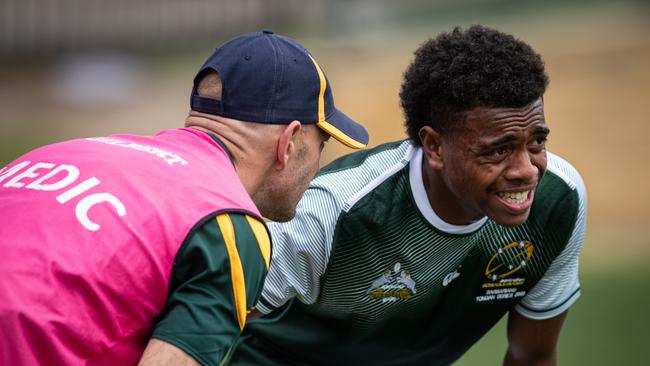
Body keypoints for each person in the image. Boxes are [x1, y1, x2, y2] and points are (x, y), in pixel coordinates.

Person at [0, 30, 368, 366]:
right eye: (322, 144)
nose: (318, 164)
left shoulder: (65, 151)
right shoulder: (228, 225)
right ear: (288, 144)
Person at [225, 25, 587, 366]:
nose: (525, 170)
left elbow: (533, 357)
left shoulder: (559, 201)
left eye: (537, 142)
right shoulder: (333, 210)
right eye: (498, 151)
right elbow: (203, 331)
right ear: (434, 146)